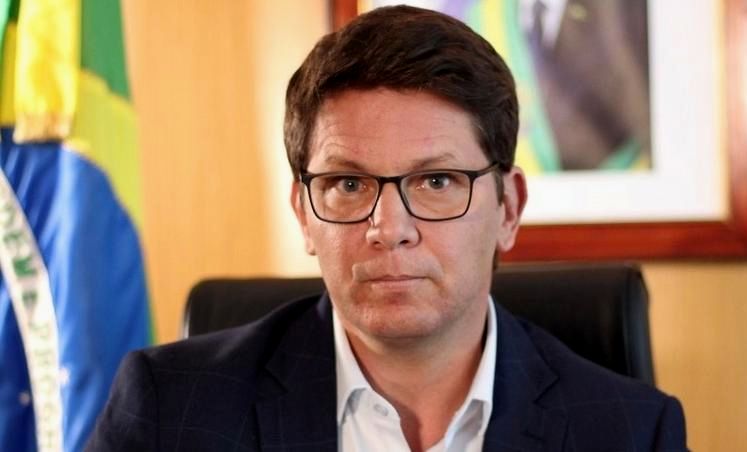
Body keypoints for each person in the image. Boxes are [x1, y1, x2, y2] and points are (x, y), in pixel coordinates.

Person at [87, 5, 686, 452]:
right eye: (349, 184)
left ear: (508, 208)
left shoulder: (632, 432)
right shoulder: (171, 411)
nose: (389, 228)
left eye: (436, 181)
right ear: (304, 213)